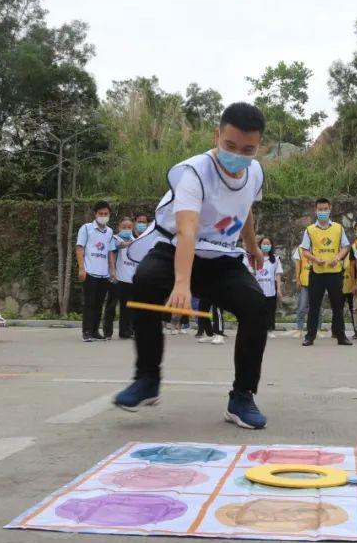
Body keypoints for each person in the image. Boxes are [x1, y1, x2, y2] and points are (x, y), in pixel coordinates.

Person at [113, 102, 270, 430]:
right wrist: (181, 283)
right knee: (145, 281)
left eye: (248, 149)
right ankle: (147, 379)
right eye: (230, 146)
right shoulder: (194, 172)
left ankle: (242, 397)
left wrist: (252, 247)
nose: (237, 155)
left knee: (256, 305)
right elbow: (186, 229)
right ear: (217, 136)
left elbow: (246, 210)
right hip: (174, 251)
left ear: (258, 147)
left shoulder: (254, 172)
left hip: (222, 259)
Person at [301, 198, 352, 346]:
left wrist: (337, 257)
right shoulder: (310, 230)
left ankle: (341, 336)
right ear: (315, 211)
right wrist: (315, 259)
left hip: (335, 273)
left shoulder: (338, 228)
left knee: (337, 306)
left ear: (330, 209)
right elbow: (304, 250)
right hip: (317, 273)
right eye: (320, 209)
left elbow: (346, 246)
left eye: (325, 209)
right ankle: (310, 336)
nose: (322, 212)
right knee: (314, 306)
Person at [76, 201, 118, 342]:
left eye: (106, 214)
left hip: (103, 274)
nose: (103, 216)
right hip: (90, 272)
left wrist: (112, 270)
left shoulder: (110, 231)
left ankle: (95, 331)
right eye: (100, 213)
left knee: (99, 303)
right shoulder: (86, 229)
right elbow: (80, 248)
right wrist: (82, 268)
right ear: (95, 214)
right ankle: (86, 331)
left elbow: (110, 252)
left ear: (109, 215)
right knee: (89, 303)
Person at [250, 236, 283, 339]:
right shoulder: (255, 258)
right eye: (264, 244)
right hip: (258, 289)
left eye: (268, 244)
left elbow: (277, 275)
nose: (266, 246)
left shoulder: (276, 259)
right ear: (260, 245)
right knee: (257, 311)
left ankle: (270, 329)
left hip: (270, 289)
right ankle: (257, 329)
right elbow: (252, 273)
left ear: (271, 246)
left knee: (270, 311)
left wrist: (279, 289)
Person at [114, 217, 138, 339]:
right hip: (120, 278)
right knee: (122, 306)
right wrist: (129, 244)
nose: (127, 229)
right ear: (119, 227)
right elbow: (118, 246)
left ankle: (130, 331)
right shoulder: (115, 238)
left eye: (129, 227)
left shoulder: (135, 240)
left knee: (131, 307)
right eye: (124, 227)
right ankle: (122, 332)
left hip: (132, 279)